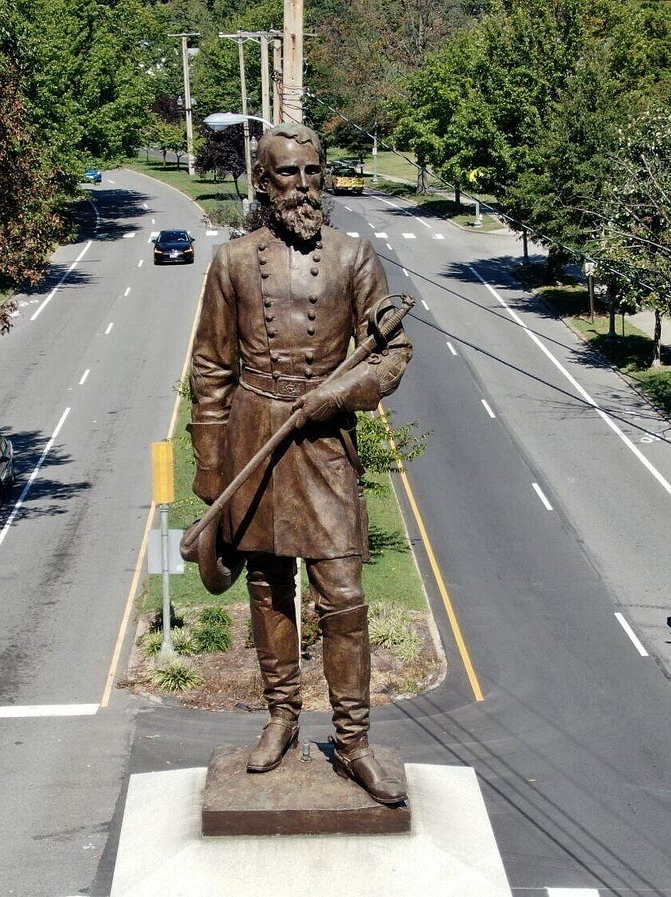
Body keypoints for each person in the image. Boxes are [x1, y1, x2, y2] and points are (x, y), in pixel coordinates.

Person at [187, 124, 412, 805]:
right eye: (289, 173)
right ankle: (281, 716)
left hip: (324, 445)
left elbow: (392, 353)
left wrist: (340, 392)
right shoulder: (232, 263)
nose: (305, 186)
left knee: (343, 596)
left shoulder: (355, 256)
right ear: (264, 183)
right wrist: (210, 467)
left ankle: (354, 741)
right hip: (257, 435)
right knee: (267, 587)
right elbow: (210, 367)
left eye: (314, 172)